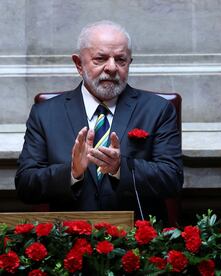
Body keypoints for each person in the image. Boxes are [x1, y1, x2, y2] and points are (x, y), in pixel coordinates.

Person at [15, 21, 183, 222]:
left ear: (130, 62)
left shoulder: (157, 110)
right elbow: (26, 185)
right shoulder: (46, 113)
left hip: (137, 242)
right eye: (100, 59)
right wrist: (72, 172)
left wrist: (120, 167)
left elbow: (172, 179)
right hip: (69, 241)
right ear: (79, 64)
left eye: (120, 60)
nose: (111, 68)